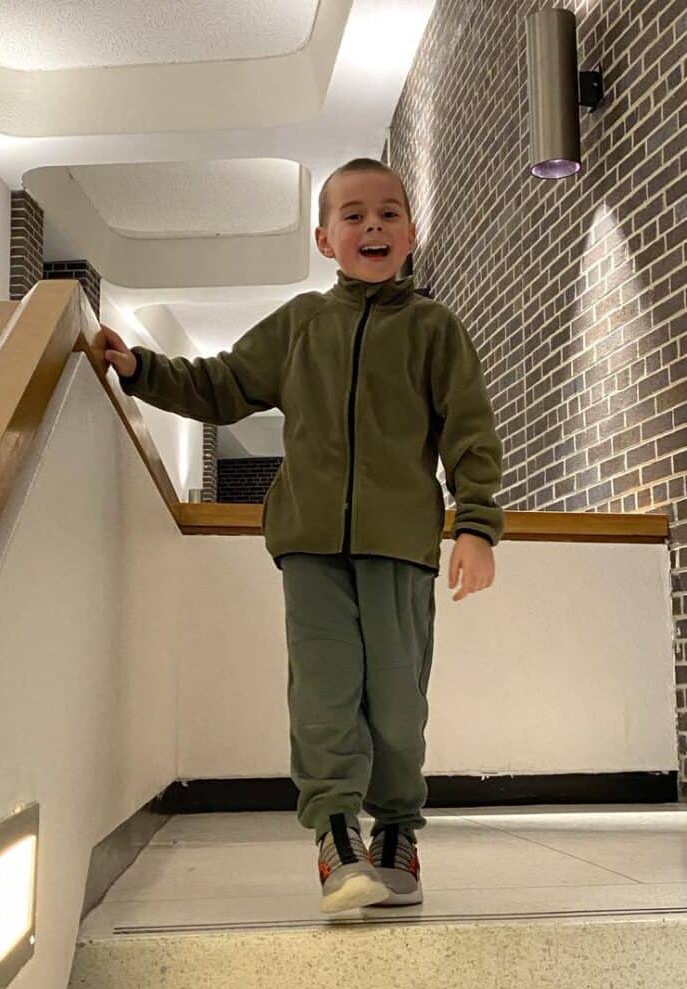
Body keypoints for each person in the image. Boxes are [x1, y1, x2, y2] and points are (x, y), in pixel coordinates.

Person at [101, 157, 504, 915]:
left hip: (400, 550)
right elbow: (221, 382)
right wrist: (143, 369)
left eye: (388, 213)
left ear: (412, 233)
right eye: (353, 215)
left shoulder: (434, 331)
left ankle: (395, 833)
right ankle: (336, 838)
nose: (372, 226)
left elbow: (470, 434)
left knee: (395, 703)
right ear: (324, 238)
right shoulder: (299, 325)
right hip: (311, 548)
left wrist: (477, 525)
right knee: (323, 696)